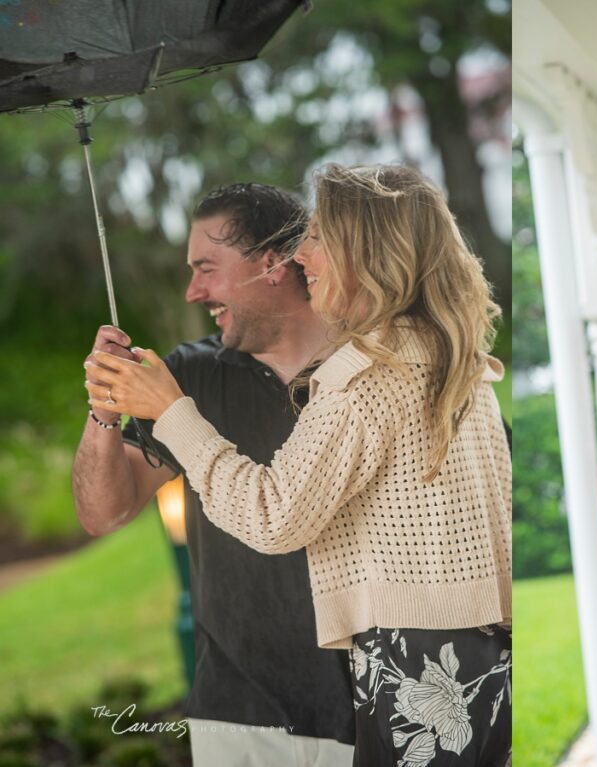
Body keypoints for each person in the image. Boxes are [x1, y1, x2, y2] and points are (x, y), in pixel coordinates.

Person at [87, 164, 513, 767]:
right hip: (480, 657)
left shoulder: (364, 376)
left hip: (415, 664)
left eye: (316, 237)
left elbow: (272, 516)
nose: (302, 254)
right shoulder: (458, 360)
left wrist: (172, 411)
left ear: (359, 252)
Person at [73, 183, 357, 766]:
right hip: (238, 716)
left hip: (372, 699)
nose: (192, 290)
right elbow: (104, 512)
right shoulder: (189, 377)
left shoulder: (365, 367)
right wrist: (105, 409)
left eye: (207, 268)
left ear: (273, 264)